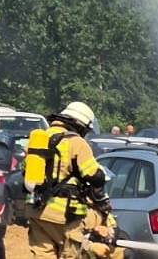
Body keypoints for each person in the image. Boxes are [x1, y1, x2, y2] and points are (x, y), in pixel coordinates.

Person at [27, 101, 109, 259]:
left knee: (42, 255)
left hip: (37, 211)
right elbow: (94, 175)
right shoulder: (77, 142)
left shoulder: (40, 139)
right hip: (65, 215)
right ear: (80, 125)